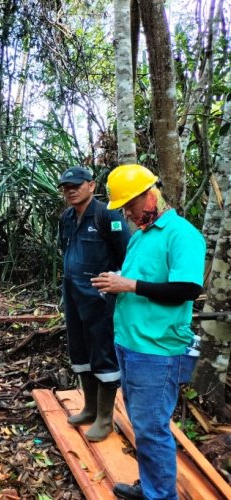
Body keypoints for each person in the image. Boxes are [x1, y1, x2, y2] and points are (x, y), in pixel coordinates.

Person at [92, 164, 205, 500]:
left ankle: (160, 496)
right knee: (143, 427)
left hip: (157, 350)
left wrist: (129, 284)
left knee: (152, 429)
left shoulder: (181, 234)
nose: (127, 213)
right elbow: (138, 282)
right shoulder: (141, 236)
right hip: (130, 342)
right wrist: (115, 284)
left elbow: (187, 289)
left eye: (130, 205)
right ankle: (153, 486)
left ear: (150, 194)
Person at [57, 166, 131, 442]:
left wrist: (113, 285)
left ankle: (105, 417)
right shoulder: (66, 217)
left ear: (91, 185)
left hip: (100, 297)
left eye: (76, 185)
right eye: (66, 187)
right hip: (73, 295)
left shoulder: (107, 214)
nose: (71, 190)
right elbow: (65, 251)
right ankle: (89, 407)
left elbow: (126, 254)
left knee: (102, 351)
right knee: (80, 350)